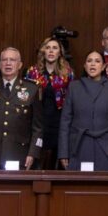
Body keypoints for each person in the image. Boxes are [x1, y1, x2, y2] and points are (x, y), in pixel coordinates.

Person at [0, 47, 42, 169]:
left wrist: (33, 153)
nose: (8, 63)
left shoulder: (32, 89)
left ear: (20, 65)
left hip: (20, 155)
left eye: (12, 60)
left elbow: (37, 127)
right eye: (4, 60)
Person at [58, 51, 108, 171]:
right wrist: (63, 153)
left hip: (106, 148)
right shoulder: (74, 87)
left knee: (104, 182)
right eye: (89, 61)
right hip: (79, 147)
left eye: (97, 61)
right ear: (85, 66)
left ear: (103, 67)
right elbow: (65, 122)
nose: (93, 64)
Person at [24, 37, 74, 170]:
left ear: (60, 53)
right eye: (48, 48)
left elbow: (71, 101)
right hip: (37, 123)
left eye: (55, 48)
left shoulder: (68, 73)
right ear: (43, 51)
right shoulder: (32, 72)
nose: (51, 51)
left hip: (58, 123)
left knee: (55, 165)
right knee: (36, 163)